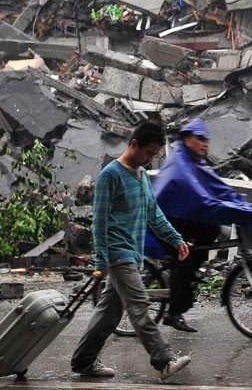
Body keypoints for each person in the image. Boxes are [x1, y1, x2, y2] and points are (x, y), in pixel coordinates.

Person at [70, 121, 193, 383]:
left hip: (133, 254)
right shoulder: (110, 176)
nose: (150, 159)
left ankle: (83, 360)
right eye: (148, 153)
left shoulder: (141, 175)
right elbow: (100, 222)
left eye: (155, 155)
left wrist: (176, 239)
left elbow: (154, 215)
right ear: (134, 144)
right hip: (118, 254)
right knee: (139, 306)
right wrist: (102, 261)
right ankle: (164, 360)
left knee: (109, 314)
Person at [148, 119, 252, 334]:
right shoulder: (181, 163)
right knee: (185, 257)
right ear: (186, 138)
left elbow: (216, 186)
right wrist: (234, 210)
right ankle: (173, 313)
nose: (205, 143)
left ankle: (188, 279)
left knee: (211, 230)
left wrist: (239, 201)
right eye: (199, 138)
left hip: (181, 218)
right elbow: (203, 198)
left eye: (206, 139)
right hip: (164, 222)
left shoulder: (196, 160)